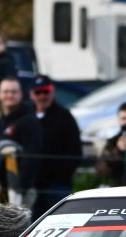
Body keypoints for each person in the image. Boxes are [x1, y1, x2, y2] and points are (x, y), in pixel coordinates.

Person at [29, 75, 81, 216]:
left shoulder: (64, 117)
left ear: (52, 92)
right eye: (38, 92)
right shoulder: (27, 116)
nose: (42, 96)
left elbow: (75, 150)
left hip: (57, 185)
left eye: (45, 92)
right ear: (31, 94)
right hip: (31, 185)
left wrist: (63, 173)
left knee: (61, 221)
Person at [0, 77, 43, 207]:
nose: (9, 95)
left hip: (22, 192)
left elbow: (32, 158)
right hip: (0, 190)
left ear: (21, 94)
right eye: (6, 91)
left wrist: (20, 190)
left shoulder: (30, 121)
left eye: (14, 91)